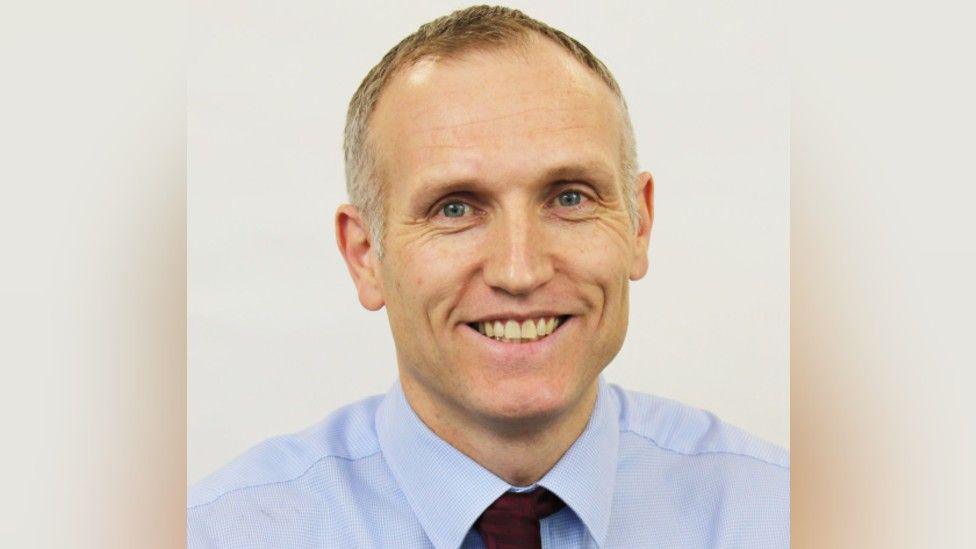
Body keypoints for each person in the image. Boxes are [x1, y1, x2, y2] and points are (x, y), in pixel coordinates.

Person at [187, 5, 788, 548]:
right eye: (455, 208)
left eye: (570, 198)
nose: (519, 270)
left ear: (638, 224)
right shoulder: (220, 534)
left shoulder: (778, 518)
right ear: (365, 253)